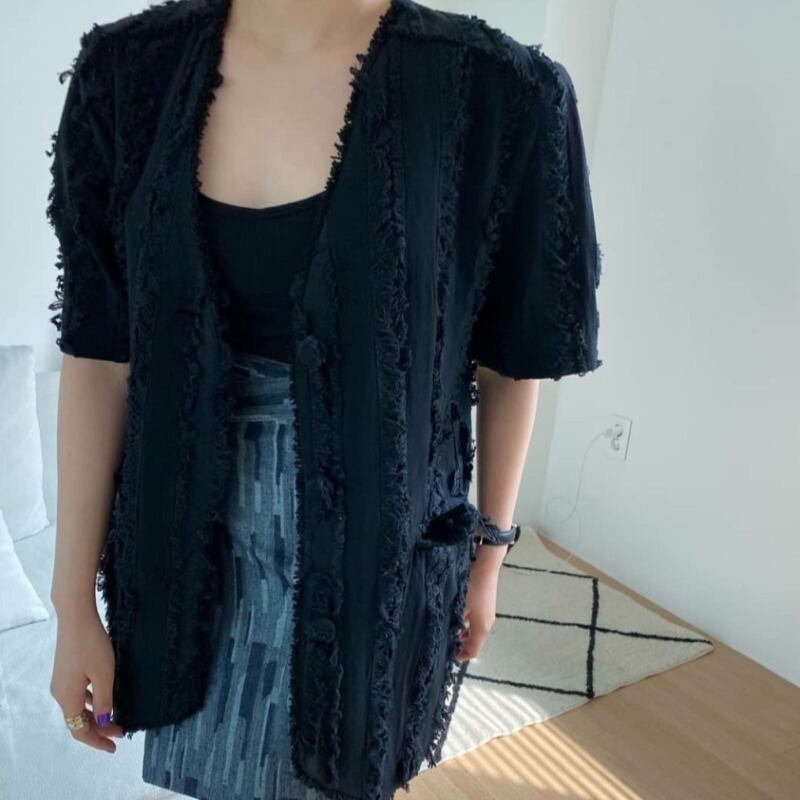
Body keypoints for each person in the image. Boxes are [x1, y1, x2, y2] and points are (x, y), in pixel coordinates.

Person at [47, 1, 603, 798]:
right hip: (179, 548)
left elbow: (512, 363)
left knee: (338, 766)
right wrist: (72, 604)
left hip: (379, 556)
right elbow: (101, 354)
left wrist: (488, 559)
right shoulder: (129, 72)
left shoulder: (499, 89)